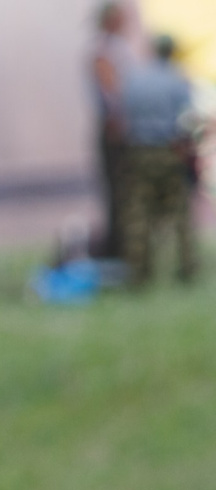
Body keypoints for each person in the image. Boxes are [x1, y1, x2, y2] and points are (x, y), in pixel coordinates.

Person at [117, 35, 199, 286]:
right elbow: (187, 119)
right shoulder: (177, 80)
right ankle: (187, 268)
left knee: (138, 212)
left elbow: (122, 114)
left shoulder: (134, 79)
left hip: (139, 151)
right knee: (180, 213)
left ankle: (139, 271)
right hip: (169, 151)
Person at [91, 2, 145, 259]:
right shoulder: (104, 48)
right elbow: (111, 91)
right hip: (116, 128)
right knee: (118, 190)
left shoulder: (118, 46)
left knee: (127, 191)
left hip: (126, 126)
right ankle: (118, 249)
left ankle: (127, 246)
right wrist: (120, 120)